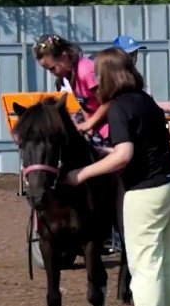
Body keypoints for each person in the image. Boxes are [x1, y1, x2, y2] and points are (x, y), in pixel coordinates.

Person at [63, 48, 170, 306]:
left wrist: (80, 174)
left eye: (98, 74)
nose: (94, 79)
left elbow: (124, 155)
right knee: (165, 262)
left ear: (108, 75)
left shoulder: (121, 108)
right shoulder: (144, 101)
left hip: (145, 192)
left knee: (144, 266)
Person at [33, 35, 123, 249]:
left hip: (112, 129)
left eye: (52, 68)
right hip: (95, 129)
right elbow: (82, 106)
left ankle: (118, 226)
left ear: (64, 56)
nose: (53, 73)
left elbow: (109, 100)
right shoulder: (67, 77)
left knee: (113, 172)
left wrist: (90, 123)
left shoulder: (85, 70)